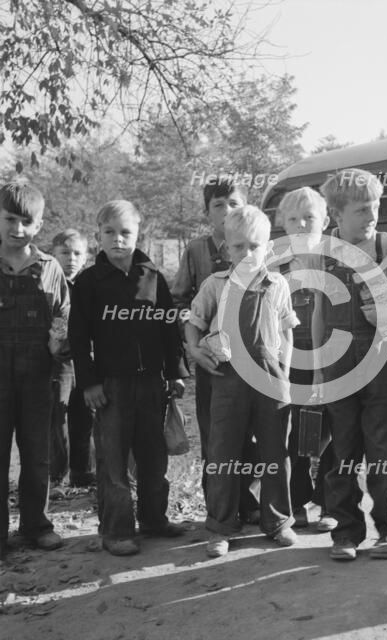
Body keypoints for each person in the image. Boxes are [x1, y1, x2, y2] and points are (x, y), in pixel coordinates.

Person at [314, 168, 387, 561]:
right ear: (336, 215)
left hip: (384, 362)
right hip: (338, 365)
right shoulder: (325, 251)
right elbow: (317, 311)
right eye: (362, 210)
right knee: (342, 450)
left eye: (376, 207)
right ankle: (345, 533)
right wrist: (318, 368)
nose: (372, 216)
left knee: (384, 447)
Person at [69, 200, 188, 556]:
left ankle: (154, 519)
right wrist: (89, 383)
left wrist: (175, 372)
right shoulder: (90, 282)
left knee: (154, 458)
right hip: (110, 387)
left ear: (138, 235)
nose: (118, 240)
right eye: (110, 233)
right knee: (113, 461)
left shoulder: (152, 277)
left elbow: (169, 329)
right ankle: (116, 530)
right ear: (98, 237)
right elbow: (78, 336)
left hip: (152, 383)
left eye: (126, 233)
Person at [185, 205, 298, 557]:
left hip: (270, 379)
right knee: (223, 452)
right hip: (228, 381)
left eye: (254, 245)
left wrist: (287, 375)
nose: (247, 253)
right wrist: (193, 349)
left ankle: (277, 521)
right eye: (238, 247)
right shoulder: (215, 285)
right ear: (226, 250)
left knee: (275, 453)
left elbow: (287, 332)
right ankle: (221, 526)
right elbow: (194, 321)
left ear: (268, 247)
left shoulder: (278, 284)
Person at [172, 177, 260, 523]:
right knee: (215, 435)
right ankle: (219, 508)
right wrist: (192, 345)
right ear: (207, 212)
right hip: (214, 363)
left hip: (255, 360)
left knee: (253, 433)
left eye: (234, 204)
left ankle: (250, 502)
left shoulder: (260, 245)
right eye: (218, 205)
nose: (227, 212)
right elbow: (179, 301)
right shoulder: (196, 251)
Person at [0, 182, 69, 563]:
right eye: (10, 219)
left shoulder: (49, 267)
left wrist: (57, 340)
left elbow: (62, 313)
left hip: (37, 374)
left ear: (38, 225)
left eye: (27, 222)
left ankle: (36, 525)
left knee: (37, 454)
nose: (18, 228)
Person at [272, 187, 336, 531]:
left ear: (324, 221)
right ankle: (297, 499)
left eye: (309, 217)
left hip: (334, 353)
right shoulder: (275, 265)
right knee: (297, 428)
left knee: (335, 428)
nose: (301, 225)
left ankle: (331, 501)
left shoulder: (336, 260)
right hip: (292, 356)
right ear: (283, 224)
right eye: (293, 219)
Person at [49, 229, 95, 491]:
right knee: (59, 416)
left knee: (86, 414)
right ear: (54, 255)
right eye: (65, 253)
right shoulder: (50, 282)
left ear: (86, 257)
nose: (71, 258)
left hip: (87, 358)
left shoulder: (89, 284)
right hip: (60, 360)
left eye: (77, 253)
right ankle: (57, 474)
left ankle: (83, 471)